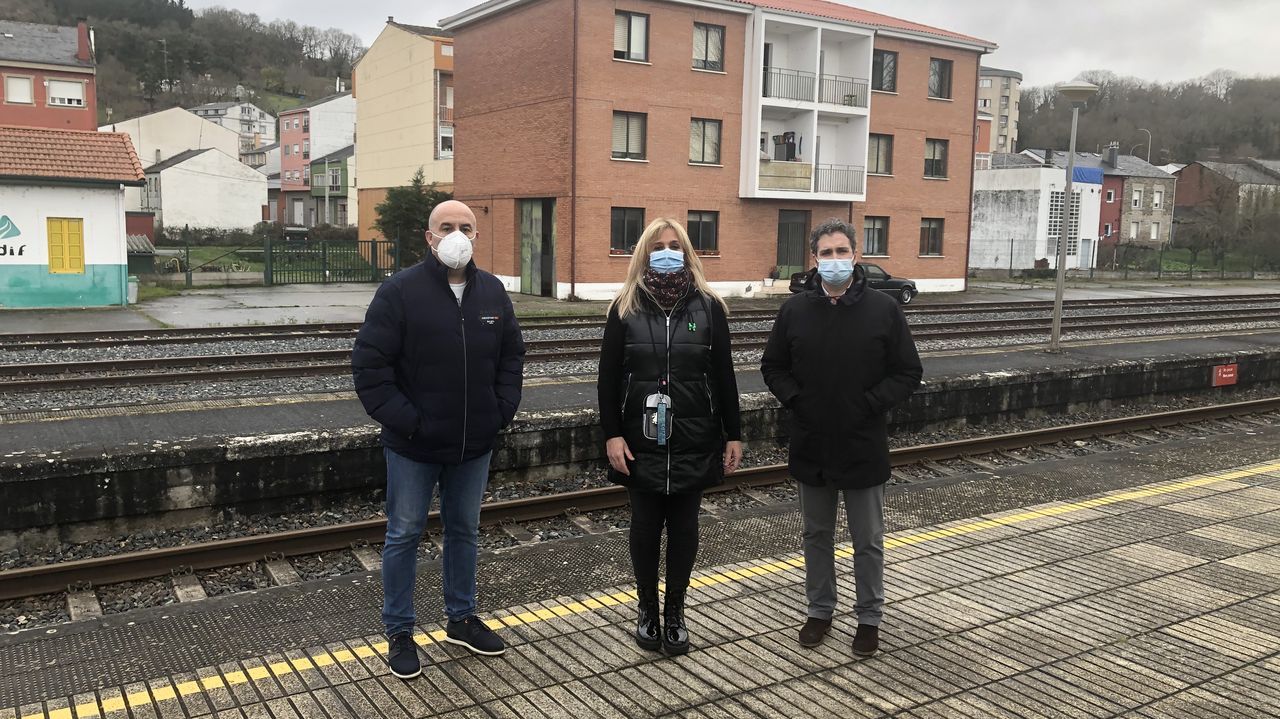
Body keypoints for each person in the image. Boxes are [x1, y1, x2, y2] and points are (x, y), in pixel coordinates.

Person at [352, 200, 525, 680]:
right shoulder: (399, 292)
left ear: (477, 236)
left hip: (474, 442)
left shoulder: (492, 292)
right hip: (414, 444)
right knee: (404, 533)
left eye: (465, 227)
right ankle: (400, 631)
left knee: (464, 530)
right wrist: (409, 422)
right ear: (428, 237)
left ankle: (461, 618)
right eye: (446, 227)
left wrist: (500, 410)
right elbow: (370, 368)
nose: (456, 235)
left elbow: (512, 356)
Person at [760, 218, 922, 658]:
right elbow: (772, 366)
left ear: (855, 255)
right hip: (812, 440)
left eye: (841, 251)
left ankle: (869, 617)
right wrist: (798, 400)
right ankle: (820, 610)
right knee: (816, 533)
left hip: (862, 441)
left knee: (867, 538)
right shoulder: (795, 310)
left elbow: (908, 371)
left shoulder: (883, 309)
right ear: (814, 259)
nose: (834, 260)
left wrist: (869, 404)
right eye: (825, 253)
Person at [597, 218, 743, 656]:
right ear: (644, 252)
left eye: (674, 245)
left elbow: (723, 375)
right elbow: (607, 379)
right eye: (658, 245)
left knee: (684, 527)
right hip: (639, 436)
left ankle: (675, 611)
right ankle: (646, 609)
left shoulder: (709, 306)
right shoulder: (624, 306)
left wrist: (733, 434)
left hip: (694, 432)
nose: (666, 251)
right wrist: (611, 436)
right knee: (644, 526)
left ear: (687, 252)